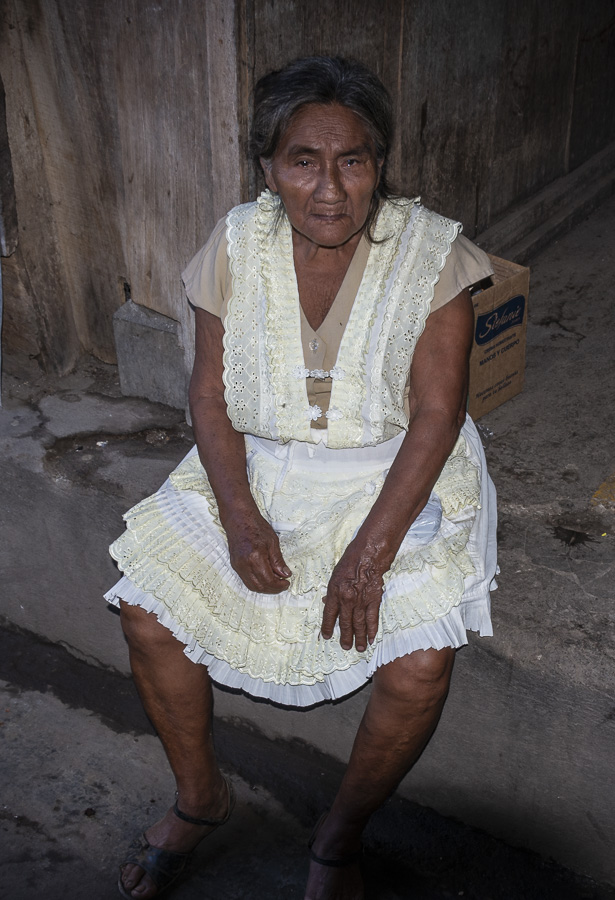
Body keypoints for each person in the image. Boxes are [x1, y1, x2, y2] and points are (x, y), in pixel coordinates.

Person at [106, 55, 497, 900]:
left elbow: (436, 414)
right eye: (303, 162)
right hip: (260, 461)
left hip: (392, 473)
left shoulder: (434, 255)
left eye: (352, 160)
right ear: (268, 169)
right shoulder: (237, 244)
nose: (329, 189)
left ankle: (338, 836)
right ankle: (201, 798)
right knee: (145, 613)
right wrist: (240, 515)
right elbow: (207, 394)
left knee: (420, 662)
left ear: (378, 167)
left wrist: (370, 554)